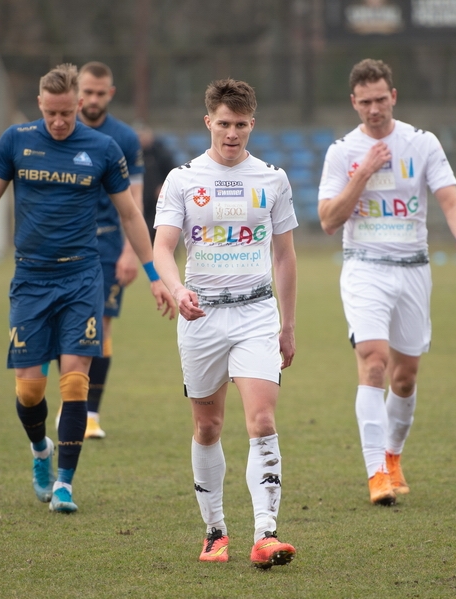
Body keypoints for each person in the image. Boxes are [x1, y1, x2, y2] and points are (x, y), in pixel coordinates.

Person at [0, 63, 174, 514]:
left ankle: (65, 484)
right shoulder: (16, 141)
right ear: (40, 104)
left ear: (79, 104)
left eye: (67, 114)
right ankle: (41, 448)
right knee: (30, 391)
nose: (59, 123)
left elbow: (131, 215)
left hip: (82, 278)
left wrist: (154, 275)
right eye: (52, 113)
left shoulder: (102, 148)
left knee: (74, 381)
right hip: (31, 279)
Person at [317, 58, 456, 506]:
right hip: (364, 267)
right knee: (374, 362)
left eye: (380, 99)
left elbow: (450, 200)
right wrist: (363, 172)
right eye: (364, 102)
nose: (374, 109)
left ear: (394, 97)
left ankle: (392, 457)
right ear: (354, 103)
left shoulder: (421, 143)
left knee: (405, 378)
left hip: (414, 269)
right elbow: (328, 220)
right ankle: (375, 475)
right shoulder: (342, 152)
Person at [153, 79, 299, 568]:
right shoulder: (182, 179)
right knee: (208, 425)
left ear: (252, 124)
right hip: (202, 317)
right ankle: (215, 531)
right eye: (223, 123)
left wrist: (289, 323)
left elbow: (284, 255)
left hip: (257, 313)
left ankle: (266, 534)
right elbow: (162, 248)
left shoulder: (273, 180)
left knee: (261, 420)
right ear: (208, 122)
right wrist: (178, 291)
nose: (232, 133)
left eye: (240, 124)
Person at [53, 61, 146, 440]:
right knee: (62, 325)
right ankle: (68, 402)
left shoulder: (123, 138)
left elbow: (134, 199)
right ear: (76, 94)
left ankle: (89, 412)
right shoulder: (56, 131)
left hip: (107, 244)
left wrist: (129, 251)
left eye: (99, 93)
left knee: (100, 325)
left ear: (110, 93)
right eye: (86, 92)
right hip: (62, 244)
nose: (92, 99)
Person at [135, 123, 177, 243]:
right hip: (142, 199)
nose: (141, 139)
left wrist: (164, 187)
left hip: (159, 200)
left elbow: (173, 173)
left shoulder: (161, 153)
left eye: (143, 136)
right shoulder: (135, 155)